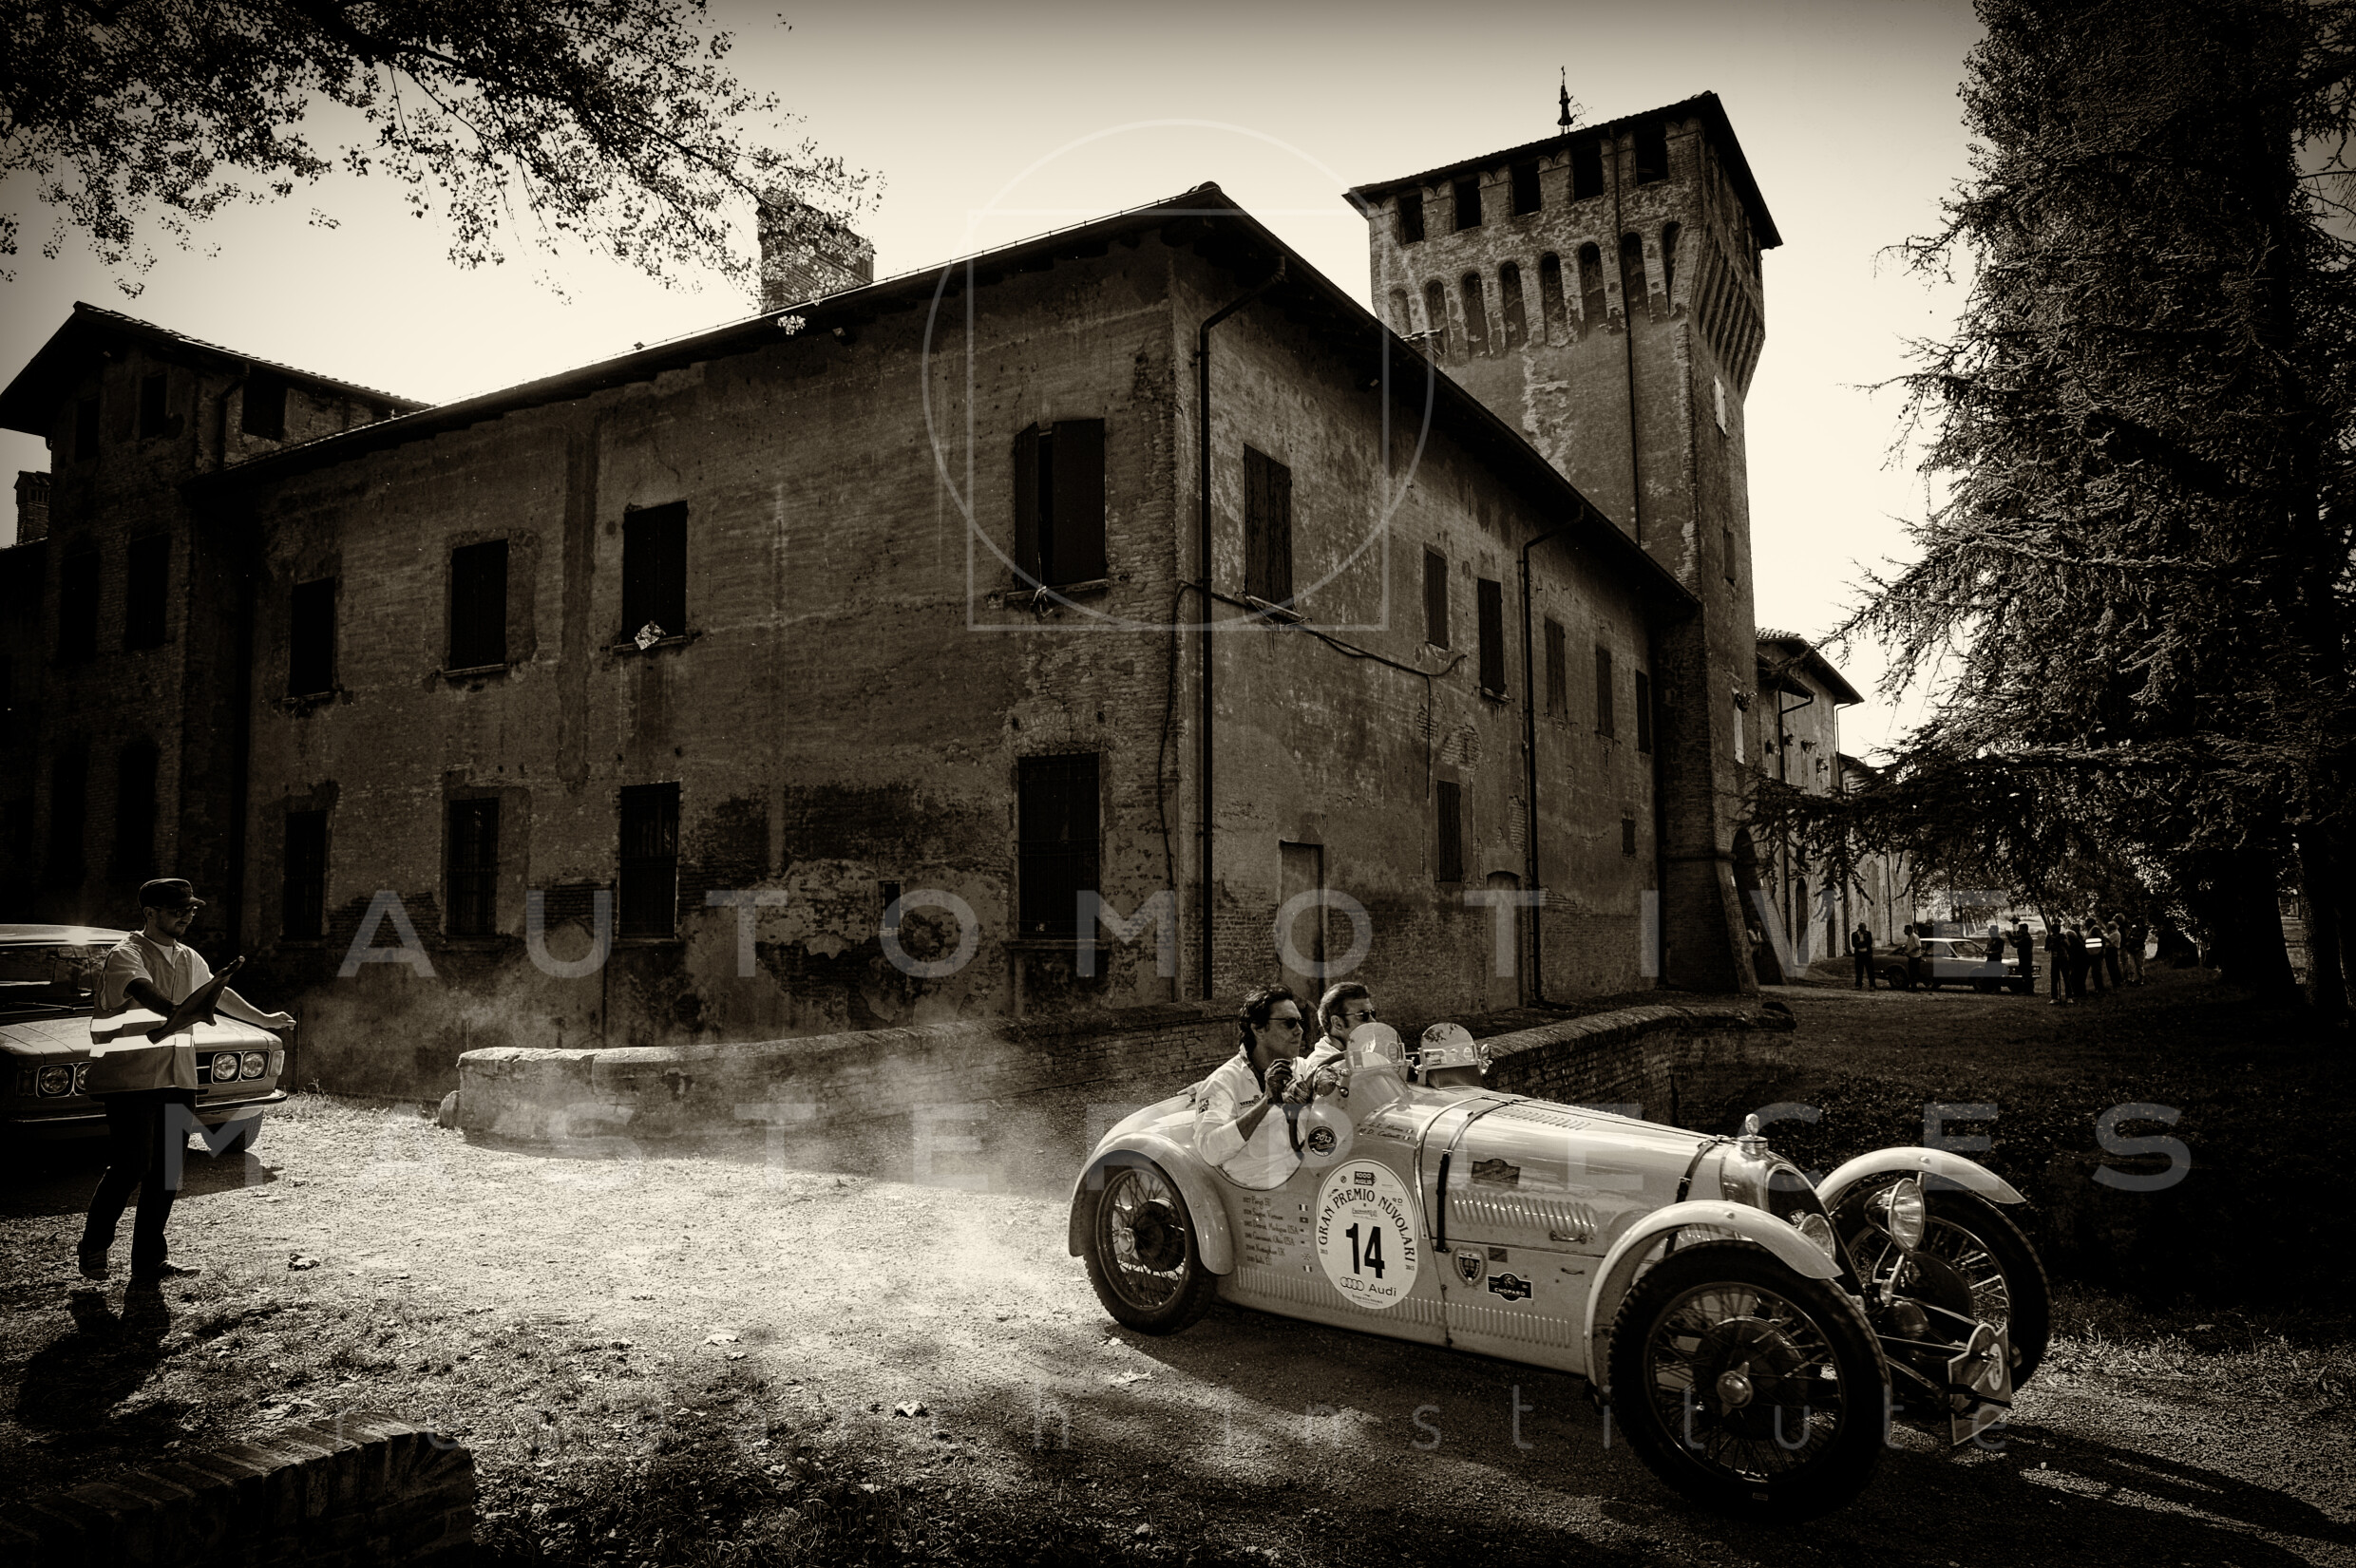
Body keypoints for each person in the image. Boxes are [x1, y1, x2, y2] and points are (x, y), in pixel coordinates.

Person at [80, 878, 296, 1286]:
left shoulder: (188, 956)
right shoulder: (126, 954)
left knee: (167, 1172)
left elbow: (218, 994)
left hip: (177, 1078)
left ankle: (149, 1261)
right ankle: (94, 1243)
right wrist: (177, 1011)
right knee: (131, 1166)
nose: (187, 915)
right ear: (150, 913)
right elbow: (143, 991)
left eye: (191, 909)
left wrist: (265, 1019)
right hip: (129, 1078)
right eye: (177, 909)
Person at [1193, 985, 1310, 1190]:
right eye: (1289, 1023)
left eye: (1301, 1022)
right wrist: (1266, 1102)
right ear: (1258, 1029)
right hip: (1257, 1191)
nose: (1299, 1031)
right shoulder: (1223, 1082)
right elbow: (1210, 1150)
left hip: (1303, 1181)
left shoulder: (1304, 1068)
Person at [2043, 919, 2069, 1004]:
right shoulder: (2049, 938)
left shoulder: (2062, 936)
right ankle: (2055, 997)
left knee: (2066, 977)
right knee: (2055, 979)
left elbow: (2068, 945)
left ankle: (2068, 996)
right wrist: (2052, 944)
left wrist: (2062, 941)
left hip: (2063, 958)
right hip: (2055, 959)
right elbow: (2046, 948)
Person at [1849, 923, 1875, 990]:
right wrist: (1863, 943)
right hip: (1859, 955)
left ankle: (1872, 985)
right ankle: (1858, 985)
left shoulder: (1868, 934)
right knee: (1859, 971)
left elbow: (1869, 943)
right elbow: (1854, 944)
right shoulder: (1854, 934)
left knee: (1870, 971)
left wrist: (1860, 943)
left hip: (1867, 954)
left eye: (1864, 928)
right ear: (1859, 928)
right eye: (1862, 928)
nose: (1863, 930)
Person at [2011, 920, 2035, 992]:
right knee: (2026, 974)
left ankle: (2029, 990)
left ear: (2024, 929)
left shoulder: (2026, 938)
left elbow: (2015, 944)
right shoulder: (2025, 936)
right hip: (2025, 958)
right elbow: (2017, 937)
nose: (2019, 931)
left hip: (2025, 958)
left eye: (2021, 929)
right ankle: (2027, 989)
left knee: (2026, 974)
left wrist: (2010, 938)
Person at [2102, 916, 2126, 991]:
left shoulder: (2115, 933)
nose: (2107, 928)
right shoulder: (2112, 933)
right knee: (2112, 966)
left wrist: (2102, 935)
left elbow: (2108, 940)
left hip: (2112, 951)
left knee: (2112, 967)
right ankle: (2117, 981)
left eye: (2108, 926)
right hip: (2110, 950)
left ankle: (2116, 982)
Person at [1902, 922, 1925, 991]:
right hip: (1911, 956)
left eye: (1905, 930)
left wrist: (1909, 951)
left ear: (1909, 930)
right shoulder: (1909, 937)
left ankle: (1924, 983)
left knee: (1914, 973)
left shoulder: (1914, 937)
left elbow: (1918, 946)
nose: (1904, 931)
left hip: (1915, 957)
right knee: (1912, 973)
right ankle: (1913, 987)